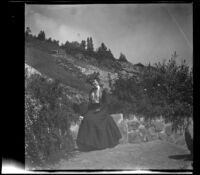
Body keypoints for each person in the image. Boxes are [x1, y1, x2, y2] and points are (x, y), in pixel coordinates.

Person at [76, 78, 122, 151]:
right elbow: (90, 103)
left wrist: (100, 109)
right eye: (92, 82)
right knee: (87, 118)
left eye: (95, 82)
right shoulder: (91, 91)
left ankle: (101, 143)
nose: (93, 83)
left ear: (98, 82)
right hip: (93, 109)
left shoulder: (103, 91)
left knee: (94, 119)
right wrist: (84, 113)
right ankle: (89, 143)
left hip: (102, 109)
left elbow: (106, 103)